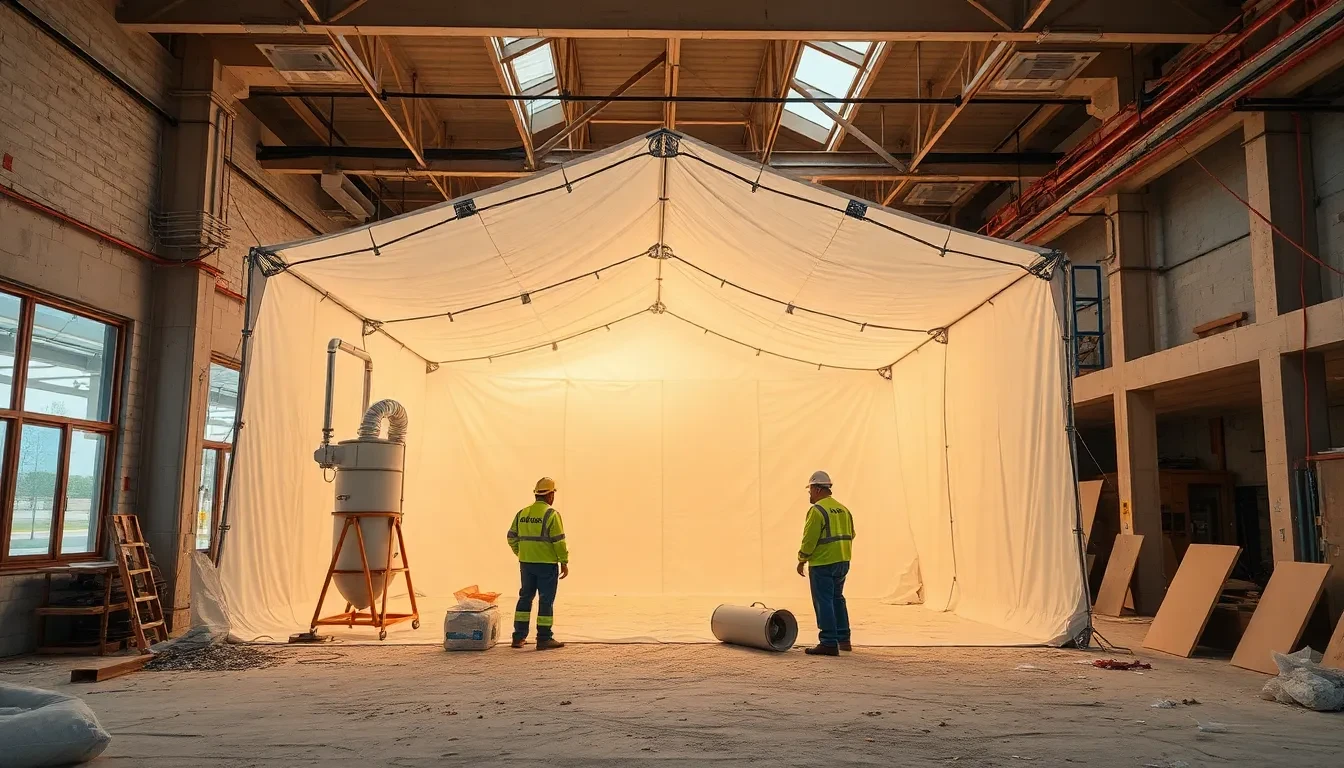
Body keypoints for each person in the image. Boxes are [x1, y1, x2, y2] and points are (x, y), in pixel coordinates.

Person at [796, 470, 855, 656]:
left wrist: (802, 558)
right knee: (838, 599)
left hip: (823, 562)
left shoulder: (817, 511)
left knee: (824, 601)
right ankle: (843, 639)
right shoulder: (843, 509)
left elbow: (809, 539)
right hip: (843, 560)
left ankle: (828, 642)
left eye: (810, 490)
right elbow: (851, 534)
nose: (809, 494)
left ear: (817, 489)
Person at [506, 477, 569, 650]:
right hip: (546, 565)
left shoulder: (522, 513)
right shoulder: (552, 514)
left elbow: (511, 537)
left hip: (526, 564)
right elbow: (559, 542)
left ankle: (518, 638)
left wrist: (521, 552)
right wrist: (564, 561)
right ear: (550, 495)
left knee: (525, 598)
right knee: (546, 600)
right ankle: (544, 638)